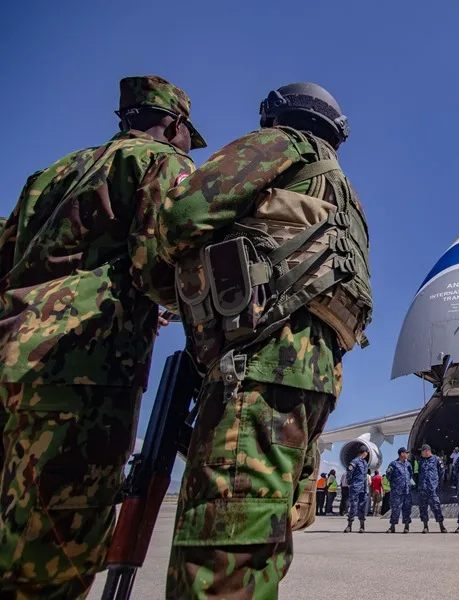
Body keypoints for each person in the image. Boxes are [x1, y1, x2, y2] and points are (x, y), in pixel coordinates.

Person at [157, 82, 373, 596]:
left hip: (258, 368)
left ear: (276, 118)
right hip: (314, 383)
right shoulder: (350, 204)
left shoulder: (281, 147)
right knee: (260, 544)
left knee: (221, 548)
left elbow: (180, 217)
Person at [0, 74, 203, 599]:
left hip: (12, 358)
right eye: (188, 134)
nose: (188, 145)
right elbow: (162, 262)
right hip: (82, 369)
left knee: (9, 532)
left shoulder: (49, 174)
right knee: (57, 555)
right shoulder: (161, 163)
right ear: (174, 123)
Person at [417, 444, 447, 533]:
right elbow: (418, 473)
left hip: (432, 488)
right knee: (423, 508)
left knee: (436, 507)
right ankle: (425, 526)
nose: (421, 453)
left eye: (422, 451)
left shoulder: (436, 459)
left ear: (427, 451)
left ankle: (441, 526)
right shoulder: (420, 461)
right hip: (423, 489)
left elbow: (442, 472)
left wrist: (437, 483)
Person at [385, 447, 414, 533]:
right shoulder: (393, 464)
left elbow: (410, 475)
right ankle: (392, 526)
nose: (408, 454)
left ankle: (406, 526)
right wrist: (395, 484)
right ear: (402, 454)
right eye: (406, 453)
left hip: (407, 491)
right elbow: (388, 475)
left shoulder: (408, 464)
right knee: (395, 509)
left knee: (407, 509)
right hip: (396, 492)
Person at [344, 448, 370, 533]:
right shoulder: (355, 461)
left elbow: (365, 475)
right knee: (353, 506)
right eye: (366, 452)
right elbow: (349, 472)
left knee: (362, 506)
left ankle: (362, 526)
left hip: (363, 488)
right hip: (355, 487)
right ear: (364, 452)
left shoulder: (365, 462)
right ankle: (349, 525)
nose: (367, 454)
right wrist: (350, 482)